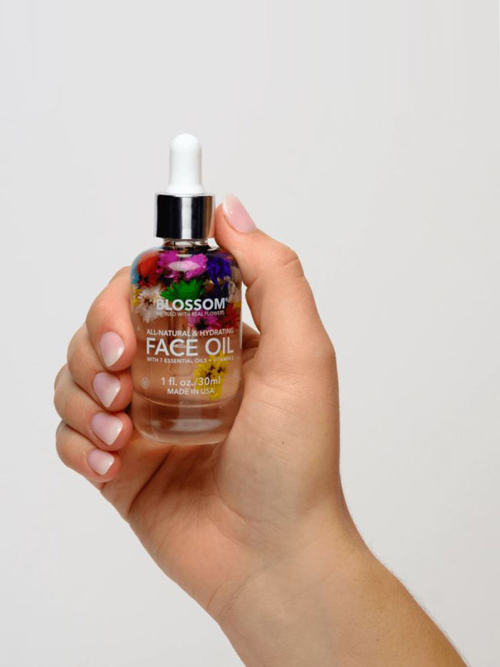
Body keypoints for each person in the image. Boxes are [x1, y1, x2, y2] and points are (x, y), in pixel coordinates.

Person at [54, 195, 467, 666]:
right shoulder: (149, 268)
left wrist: (286, 549)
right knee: (136, 337)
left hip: (224, 424)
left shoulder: (221, 268)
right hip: (159, 427)